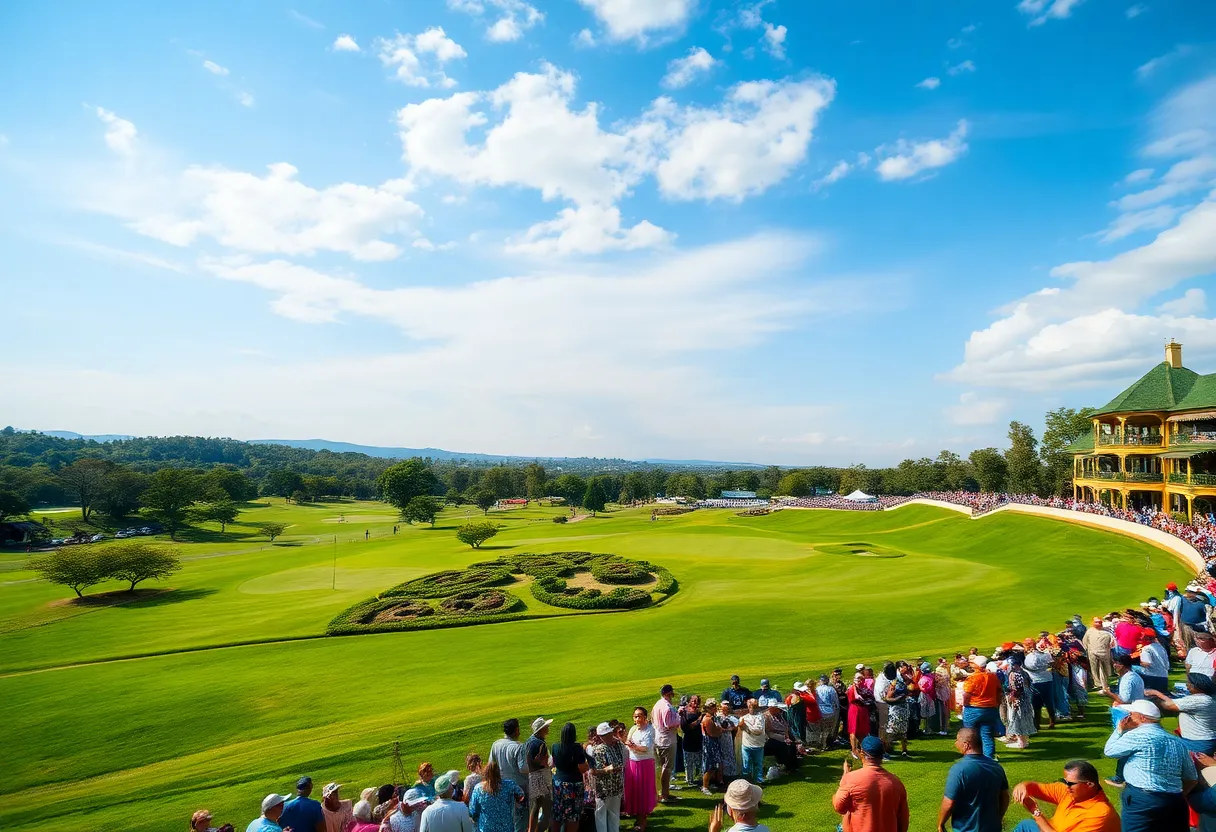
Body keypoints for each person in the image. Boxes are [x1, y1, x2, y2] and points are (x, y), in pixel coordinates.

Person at [1102, 700, 1197, 832]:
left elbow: (1110, 751)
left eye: (1131, 714)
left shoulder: (1137, 735)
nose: (1127, 717)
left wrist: (1119, 729)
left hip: (1142, 801)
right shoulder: (1177, 742)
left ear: (1142, 717)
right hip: (1175, 800)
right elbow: (1192, 778)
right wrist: (1174, 795)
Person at [1008, 760, 1119, 832]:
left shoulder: (1100, 814)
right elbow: (1035, 788)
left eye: (1070, 784)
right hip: (1050, 829)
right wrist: (1023, 785)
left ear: (1089, 784)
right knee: (1025, 825)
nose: (1066, 787)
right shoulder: (1069, 791)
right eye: (1064, 781)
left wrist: (1035, 812)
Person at [832, 735, 909, 832]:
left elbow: (839, 806)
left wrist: (844, 780)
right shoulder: (896, 783)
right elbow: (903, 822)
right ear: (882, 755)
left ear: (861, 753)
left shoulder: (851, 779)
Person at [938, 728, 1009, 832]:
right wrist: (999, 817)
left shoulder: (959, 770)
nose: (955, 744)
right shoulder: (996, 767)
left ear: (966, 745)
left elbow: (949, 803)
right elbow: (1005, 796)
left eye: (957, 740)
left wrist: (941, 824)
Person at [1145, 672, 1216, 753]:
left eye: (1188, 683)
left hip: (1196, 743)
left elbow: (1168, 705)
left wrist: (1156, 693)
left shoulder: (1198, 700)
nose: (1187, 686)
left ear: (1195, 686)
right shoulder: (1209, 698)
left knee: (1156, 740)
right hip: (1206, 740)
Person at [490, 719, 530, 832]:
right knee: (520, 822)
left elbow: (491, 766)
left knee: (506, 818)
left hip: (502, 787)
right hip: (519, 788)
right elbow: (523, 769)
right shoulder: (518, 747)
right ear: (516, 730)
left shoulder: (496, 744)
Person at [961, 656, 1002, 759]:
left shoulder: (973, 678)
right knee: (987, 735)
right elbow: (999, 693)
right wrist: (997, 704)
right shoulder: (993, 677)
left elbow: (966, 694)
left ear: (977, 666)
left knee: (970, 735)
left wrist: (965, 705)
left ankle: (972, 756)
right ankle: (989, 757)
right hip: (990, 709)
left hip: (974, 708)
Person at [551, 722, 589, 832]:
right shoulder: (577, 748)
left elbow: (553, 763)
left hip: (558, 783)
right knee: (573, 815)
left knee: (557, 813)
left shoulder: (555, 746)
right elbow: (582, 768)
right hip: (573, 785)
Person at [623, 707, 656, 830]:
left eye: (640, 716)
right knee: (635, 791)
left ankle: (642, 821)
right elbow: (627, 742)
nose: (637, 719)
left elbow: (646, 747)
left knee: (643, 791)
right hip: (633, 762)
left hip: (644, 763)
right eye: (635, 716)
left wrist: (634, 746)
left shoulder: (649, 730)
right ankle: (638, 818)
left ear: (645, 717)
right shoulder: (633, 729)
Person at [469, 761, 525, 832]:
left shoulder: (478, 789)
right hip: (506, 827)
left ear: (485, 773)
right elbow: (521, 796)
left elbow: (473, 811)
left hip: (486, 828)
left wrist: (475, 818)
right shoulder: (510, 785)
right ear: (498, 772)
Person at [590, 722, 624, 832]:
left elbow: (622, 761)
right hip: (603, 788)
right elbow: (593, 771)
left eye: (610, 733)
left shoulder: (617, 745)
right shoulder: (596, 750)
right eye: (607, 735)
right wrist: (607, 769)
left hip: (615, 786)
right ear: (601, 737)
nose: (610, 736)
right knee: (601, 815)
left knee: (613, 815)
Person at [651, 685, 681, 804]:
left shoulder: (657, 704)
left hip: (659, 739)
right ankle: (664, 794)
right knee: (667, 768)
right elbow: (669, 724)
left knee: (663, 767)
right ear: (669, 694)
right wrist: (679, 718)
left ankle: (663, 792)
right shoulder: (666, 707)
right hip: (667, 740)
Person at [525, 718, 554, 832]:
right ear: (541, 729)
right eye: (546, 726)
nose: (548, 728)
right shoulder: (541, 744)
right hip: (542, 775)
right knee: (547, 805)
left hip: (532, 776)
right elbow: (543, 762)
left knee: (536, 806)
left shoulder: (529, 741)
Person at [1004, 653, 1036, 751]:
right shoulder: (1024, 672)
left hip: (1018, 698)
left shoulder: (1014, 674)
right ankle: (1024, 741)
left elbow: (1015, 689)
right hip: (1026, 697)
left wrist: (1010, 695)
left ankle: (1021, 742)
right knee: (1024, 717)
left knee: (1017, 718)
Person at [1023, 639, 1058, 731]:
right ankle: (1052, 722)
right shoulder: (1045, 654)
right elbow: (1052, 664)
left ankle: (1036, 724)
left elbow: (1031, 666)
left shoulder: (1030, 657)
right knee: (1049, 701)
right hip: (1047, 679)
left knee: (1035, 704)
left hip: (1035, 681)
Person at [1082, 618, 1115, 692]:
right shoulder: (1089, 632)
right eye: (1096, 622)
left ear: (1101, 623)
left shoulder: (1107, 632)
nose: (1097, 624)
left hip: (1104, 653)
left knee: (1106, 670)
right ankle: (1098, 684)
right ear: (1093, 623)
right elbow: (1085, 643)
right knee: (1095, 669)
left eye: (1099, 622)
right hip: (1092, 653)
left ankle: (1105, 684)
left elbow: (1112, 644)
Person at [847, 671, 874, 760]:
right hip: (855, 710)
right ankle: (854, 750)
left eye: (861, 679)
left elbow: (869, 696)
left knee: (863, 731)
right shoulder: (851, 688)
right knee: (853, 730)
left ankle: (863, 749)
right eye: (858, 678)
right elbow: (852, 698)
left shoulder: (863, 688)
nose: (859, 680)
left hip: (863, 710)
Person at [739, 698, 767, 783]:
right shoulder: (743, 718)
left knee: (758, 764)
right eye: (750, 706)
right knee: (746, 765)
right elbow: (740, 726)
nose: (752, 708)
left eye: (754, 707)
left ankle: (759, 781)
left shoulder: (760, 717)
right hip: (746, 744)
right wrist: (743, 726)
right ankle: (746, 782)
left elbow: (758, 730)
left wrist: (746, 727)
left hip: (758, 745)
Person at [700, 699, 724, 794]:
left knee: (714, 766)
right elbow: (712, 733)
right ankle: (705, 787)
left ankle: (711, 783)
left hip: (714, 744)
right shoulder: (708, 719)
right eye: (713, 707)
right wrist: (720, 730)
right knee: (708, 766)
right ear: (709, 708)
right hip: (710, 745)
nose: (715, 708)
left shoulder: (713, 718)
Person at [680, 695, 704, 788]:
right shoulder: (684, 712)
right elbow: (686, 727)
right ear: (689, 701)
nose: (695, 702)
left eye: (697, 701)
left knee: (699, 760)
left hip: (698, 738)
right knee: (689, 761)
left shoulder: (699, 712)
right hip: (688, 739)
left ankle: (699, 778)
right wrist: (699, 719)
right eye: (693, 701)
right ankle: (689, 779)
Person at [816, 675, 840, 750]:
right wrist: (837, 708)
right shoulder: (831, 689)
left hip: (819, 711)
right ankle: (825, 744)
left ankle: (820, 743)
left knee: (820, 729)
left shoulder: (817, 689)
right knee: (828, 729)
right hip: (829, 711)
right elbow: (835, 701)